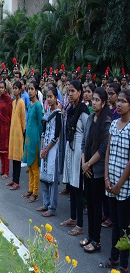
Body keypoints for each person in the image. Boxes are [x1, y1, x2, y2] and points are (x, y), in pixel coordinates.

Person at [100, 89, 130, 273]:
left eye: (123, 101)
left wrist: (119, 183)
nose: (118, 104)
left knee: (124, 227)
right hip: (110, 183)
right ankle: (114, 257)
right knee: (115, 223)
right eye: (117, 100)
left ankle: (124, 264)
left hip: (124, 186)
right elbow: (108, 152)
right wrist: (107, 178)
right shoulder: (113, 125)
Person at [80, 87, 111, 253]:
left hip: (97, 170)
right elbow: (84, 143)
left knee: (97, 205)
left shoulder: (107, 122)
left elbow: (103, 147)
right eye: (94, 99)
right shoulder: (91, 118)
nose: (94, 102)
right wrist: (84, 163)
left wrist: (89, 164)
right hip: (87, 169)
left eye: (97, 100)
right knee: (90, 205)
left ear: (104, 102)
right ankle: (90, 235)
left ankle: (96, 240)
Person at [60, 80, 90, 236]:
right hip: (70, 148)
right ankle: (72, 217)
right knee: (71, 185)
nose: (70, 94)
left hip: (79, 149)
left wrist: (85, 155)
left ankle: (80, 224)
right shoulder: (71, 109)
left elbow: (87, 133)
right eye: (69, 91)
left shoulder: (83, 111)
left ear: (80, 92)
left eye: (73, 91)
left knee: (77, 186)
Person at [37, 87, 62, 217]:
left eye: (51, 96)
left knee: (52, 177)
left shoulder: (58, 114)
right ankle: (46, 203)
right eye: (47, 97)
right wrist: (42, 148)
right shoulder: (47, 111)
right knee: (44, 177)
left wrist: (47, 149)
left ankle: (52, 207)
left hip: (53, 149)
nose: (49, 99)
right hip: (45, 147)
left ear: (56, 97)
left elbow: (56, 134)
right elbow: (44, 131)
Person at [22, 81, 43, 203]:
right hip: (28, 138)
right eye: (29, 89)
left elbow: (40, 124)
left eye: (32, 89)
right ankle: (30, 189)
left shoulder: (38, 106)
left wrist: (39, 139)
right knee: (29, 165)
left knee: (35, 167)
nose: (30, 91)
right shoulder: (30, 104)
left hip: (34, 139)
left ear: (36, 91)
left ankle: (35, 192)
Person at [7, 81, 26, 190]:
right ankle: (13, 179)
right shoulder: (14, 102)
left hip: (18, 133)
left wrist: (22, 132)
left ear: (20, 90)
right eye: (13, 88)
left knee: (18, 157)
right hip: (13, 132)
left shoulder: (22, 102)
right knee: (13, 156)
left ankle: (17, 181)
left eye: (16, 88)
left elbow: (23, 119)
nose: (14, 90)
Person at [0, 81, 12, 179]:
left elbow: (10, 114)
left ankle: (6, 171)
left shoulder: (8, 99)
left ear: (5, 89)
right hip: (0, 126)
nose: (1, 89)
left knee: (6, 150)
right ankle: (2, 169)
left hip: (6, 127)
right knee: (1, 149)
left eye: (2, 88)